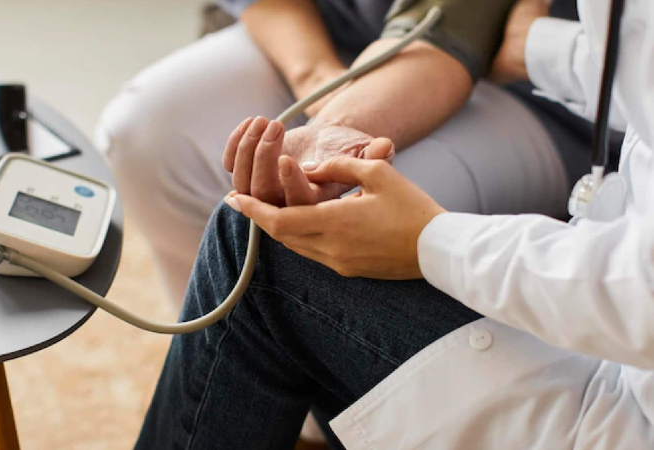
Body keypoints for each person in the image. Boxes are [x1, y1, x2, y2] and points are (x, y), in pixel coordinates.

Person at [133, 0, 654, 448]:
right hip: (620, 352)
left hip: (626, 412)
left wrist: (428, 241)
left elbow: (641, 293)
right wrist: (543, 49)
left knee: (261, 247)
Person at [96, 0, 594, 305]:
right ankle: (244, 380)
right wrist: (314, 73)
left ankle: (320, 410)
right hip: (341, 24)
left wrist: (337, 124)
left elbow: (448, 31)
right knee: (142, 133)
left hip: (532, 86)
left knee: (341, 215)